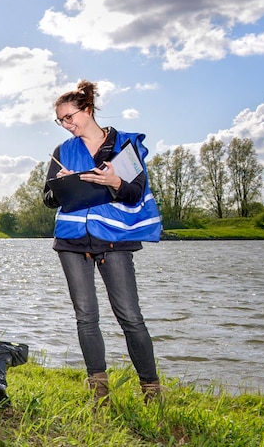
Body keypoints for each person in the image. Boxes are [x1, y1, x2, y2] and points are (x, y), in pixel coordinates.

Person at [43, 80, 163, 404]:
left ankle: (151, 389)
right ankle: (99, 389)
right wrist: (63, 185)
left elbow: (135, 191)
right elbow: (48, 198)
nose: (67, 125)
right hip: (71, 241)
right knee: (86, 315)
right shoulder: (61, 151)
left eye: (70, 117)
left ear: (88, 110)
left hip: (114, 241)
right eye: (61, 121)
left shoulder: (124, 145)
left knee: (129, 315)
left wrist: (115, 181)